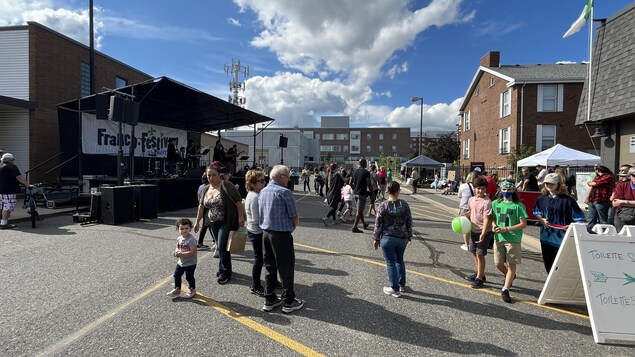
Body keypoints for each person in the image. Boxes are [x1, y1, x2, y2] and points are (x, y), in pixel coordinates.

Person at [258, 165, 304, 313]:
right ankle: (288, 301)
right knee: (286, 268)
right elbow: (294, 216)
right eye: (287, 176)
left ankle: (269, 298)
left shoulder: (263, 191)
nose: (289, 179)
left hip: (266, 233)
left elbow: (260, 214)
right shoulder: (285, 192)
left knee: (270, 267)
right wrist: (292, 228)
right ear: (280, 177)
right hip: (281, 234)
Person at [193, 164, 245, 284]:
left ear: (219, 175)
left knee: (221, 246)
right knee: (222, 247)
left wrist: (241, 217)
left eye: (214, 175)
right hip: (213, 222)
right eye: (209, 175)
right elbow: (201, 206)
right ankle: (226, 268)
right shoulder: (206, 189)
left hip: (226, 221)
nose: (211, 178)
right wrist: (197, 222)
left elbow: (238, 201)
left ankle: (225, 272)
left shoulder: (226, 185)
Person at [533, 173, 586, 273]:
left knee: (559, 263)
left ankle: (558, 283)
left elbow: (580, 218)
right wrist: (541, 219)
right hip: (545, 235)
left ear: (558, 184)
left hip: (561, 237)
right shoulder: (541, 198)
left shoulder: (568, 200)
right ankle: (550, 283)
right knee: (547, 261)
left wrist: (570, 226)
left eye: (552, 184)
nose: (549, 186)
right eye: (546, 183)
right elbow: (536, 211)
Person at [373, 181, 413, 298]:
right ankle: (401, 284)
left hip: (388, 237)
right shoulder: (404, 204)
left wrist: (376, 238)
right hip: (402, 238)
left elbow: (378, 224)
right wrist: (409, 236)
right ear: (398, 191)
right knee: (399, 260)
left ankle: (394, 288)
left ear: (387, 191)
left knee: (390, 262)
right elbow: (409, 221)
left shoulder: (383, 206)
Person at [491, 181, 528, 303]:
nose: (506, 192)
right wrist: (493, 225)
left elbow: (523, 224)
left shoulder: (518, 206)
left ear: (514, 191)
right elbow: (492, 218)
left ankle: (505, 289)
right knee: (498, 263)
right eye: (504, 190)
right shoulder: (495, 203)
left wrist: (506, 229)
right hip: (499, 238)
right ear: (500, 190)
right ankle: (510, 276)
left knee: (512, 264)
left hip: (513, 239)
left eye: (509, 190)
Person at [463, 177, 492, 288]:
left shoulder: (487, 202)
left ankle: (479, 278)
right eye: (478, 188)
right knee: (474, 252)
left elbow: (486, 219)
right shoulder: (471, 199)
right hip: (473, 230)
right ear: (474, 189)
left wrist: (483, 233)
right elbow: (471, 211)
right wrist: (463, 215)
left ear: (486, 189)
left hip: (483, 231)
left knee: (480, 254)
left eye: (483, 188)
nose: (480, 191)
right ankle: (480, 273)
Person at [245, 169, 267, 296]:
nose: (264, 183)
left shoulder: (254, 194)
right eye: (261, 181)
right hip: (256, 231)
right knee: (259, 259)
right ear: (253, 184)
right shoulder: (254, 197)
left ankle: (269, 281)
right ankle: (255, 285)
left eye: (264, 180)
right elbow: (255, 219)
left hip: (255, 230)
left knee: (262, 258)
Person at [166, 218, 198, 299]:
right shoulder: (179, 238)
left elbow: (192, 252)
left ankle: (192, 289)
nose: (184, 230)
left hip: (190, 263)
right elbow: (177, 247)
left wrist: (181, 254)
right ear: (178, 229)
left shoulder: (191, 240)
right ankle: (177, 289)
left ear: (190, 228)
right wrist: (176, 252)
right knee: (176, 275)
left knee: (189, 277)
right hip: (181, 262)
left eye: (186, 228)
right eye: (182, 228)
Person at [0, 153, 32, 229]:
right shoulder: (11, 167)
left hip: (1, 190)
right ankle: (4, 223)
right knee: (8, 206)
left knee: (1, 205)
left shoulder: (0, 166)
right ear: (12, 160)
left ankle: (2, 221)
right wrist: (28, 185)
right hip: (8, 190)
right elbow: (19, 177)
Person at [585, 165, 615, 234]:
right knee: (591, 218)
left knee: (603, 219)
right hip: (593, 199)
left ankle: (604, 233)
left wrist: (589, 183)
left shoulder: (608, 176)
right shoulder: (597, 177)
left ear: (598, 170)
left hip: (602, 200)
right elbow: (592, 187)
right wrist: (587, 198)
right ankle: (590, 231)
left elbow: (594, 184)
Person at [351, 158, 374, 233]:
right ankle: (354, 227)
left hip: (355, 193)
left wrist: (354, 188)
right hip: (362, 193)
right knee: (359, 210)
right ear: (364, 163)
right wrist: (373, 193)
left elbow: (351, 182)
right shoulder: (366, 172)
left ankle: (364, 224)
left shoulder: (355, 172)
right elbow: (369, 184)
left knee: (359, 210)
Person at [611, 167, 635, 232]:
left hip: (626, 210)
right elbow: (615, 203)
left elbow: (619, 202)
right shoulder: (622, 186)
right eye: (634, 175)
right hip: (623, 216)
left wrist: (623, 202)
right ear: (630, 176)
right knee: (622, 236)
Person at [457, 172, 475, 251]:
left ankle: (466, 244)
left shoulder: (463, 186)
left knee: (465, 227)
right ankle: (474, 243)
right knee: (474, 226)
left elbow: (459, 196)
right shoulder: (476, 186)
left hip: (464, 207)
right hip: (474, 208)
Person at [196, 173, 212, 251]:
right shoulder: (209, 187)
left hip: (202, 206)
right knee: (206, 225)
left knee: (208, 225)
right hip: (207, 207)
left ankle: (215, 240)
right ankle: (199, 243)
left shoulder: (200, 187)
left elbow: (198, 196)